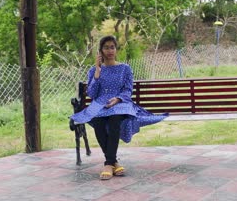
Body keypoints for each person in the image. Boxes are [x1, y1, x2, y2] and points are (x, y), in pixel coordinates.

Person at [71, 36, 168, 180]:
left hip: (120, 103)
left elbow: (128, 90)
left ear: (116, 50)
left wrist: (117, 99)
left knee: (115, 120)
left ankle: (108, 164)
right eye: (106, 47)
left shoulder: (125, 68)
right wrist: (97, 72)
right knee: (98, 122)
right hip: (100, 104)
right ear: (101, 51)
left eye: (112, 47)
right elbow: (91, 93)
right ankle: (113, 162)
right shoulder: (94, 70)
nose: (109, 50)